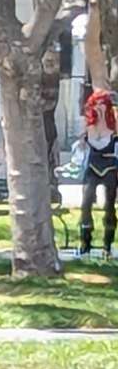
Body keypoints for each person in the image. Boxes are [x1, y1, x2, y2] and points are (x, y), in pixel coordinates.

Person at [76, 90, 118, 257]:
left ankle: (107, 245)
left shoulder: (114, 124)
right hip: (92, 166)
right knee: (86, 203)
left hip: (109, 166)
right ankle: (85, 242)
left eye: (102, 103)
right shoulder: (87, 124)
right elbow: (80, 147)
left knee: (109, 206)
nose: (99, 107)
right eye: (96, 103)